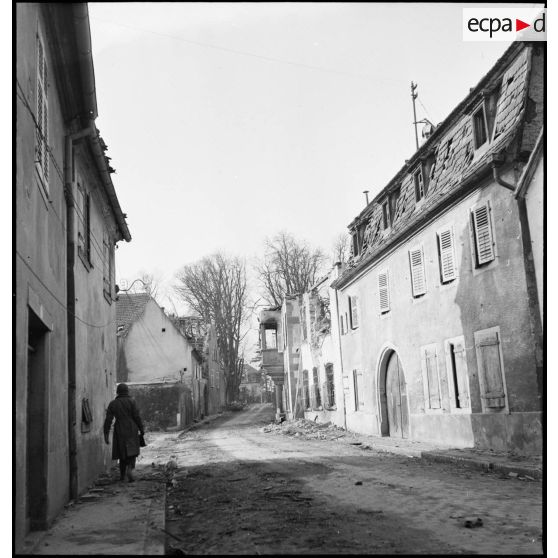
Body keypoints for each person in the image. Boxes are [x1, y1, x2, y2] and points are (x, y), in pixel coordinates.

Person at [103, 383, 145, 482]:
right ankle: (130, 469)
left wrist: (106, 434)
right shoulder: (132, 402)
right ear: (127, 391)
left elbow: (108, 420)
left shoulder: (113, 403)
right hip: (132, 428)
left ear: (118, 392)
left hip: (119, 429)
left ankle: (122, 476)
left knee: (122, 453)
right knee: (132, 451)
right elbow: (137, 417)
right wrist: (141, 429)